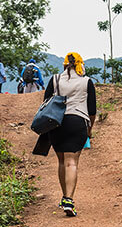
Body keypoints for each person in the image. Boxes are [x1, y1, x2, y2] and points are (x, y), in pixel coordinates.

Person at [41, 52, 96, 217]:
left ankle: (65, 198)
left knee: (61, 161)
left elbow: (45, 102)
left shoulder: (55, 79)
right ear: (80, 64)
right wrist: (89, 129)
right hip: (77, 122)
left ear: (65, 65)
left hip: (56, 123)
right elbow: (92, 110)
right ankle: (69, 199)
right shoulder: (86, 82)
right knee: (72, 162)